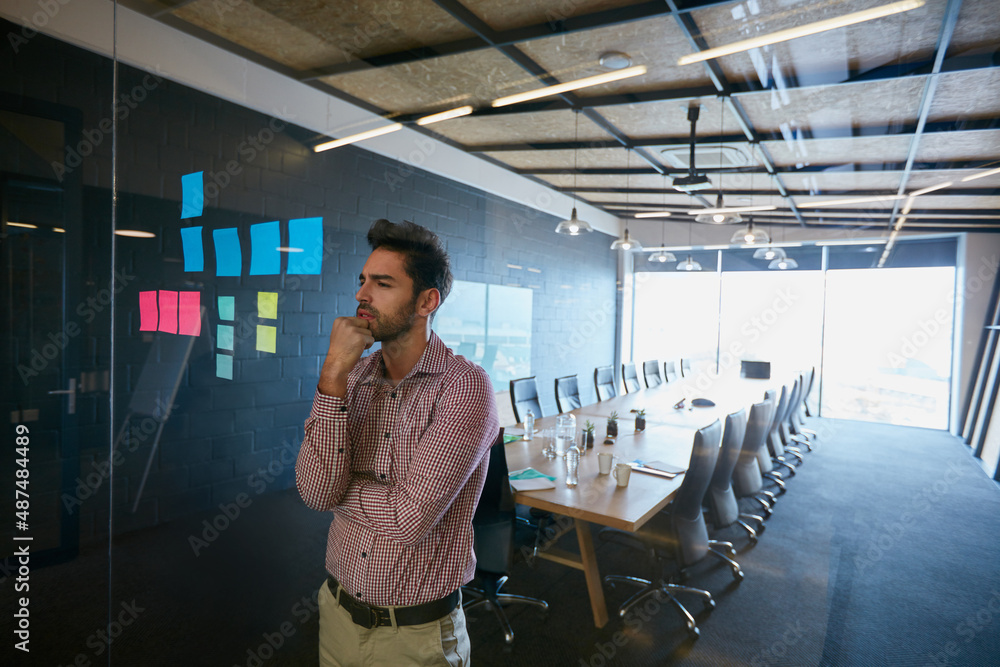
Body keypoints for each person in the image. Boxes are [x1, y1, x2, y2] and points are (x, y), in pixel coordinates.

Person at [296, 218, 499, 666]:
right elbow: (313, 492)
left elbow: (409, 519)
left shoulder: (464, 387)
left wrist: (341, 489)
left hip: (415, 635)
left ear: (427, 301)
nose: (361, 295)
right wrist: (331, 378)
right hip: (336, 612)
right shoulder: (353, 375)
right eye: (363, 280)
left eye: (382, 283)